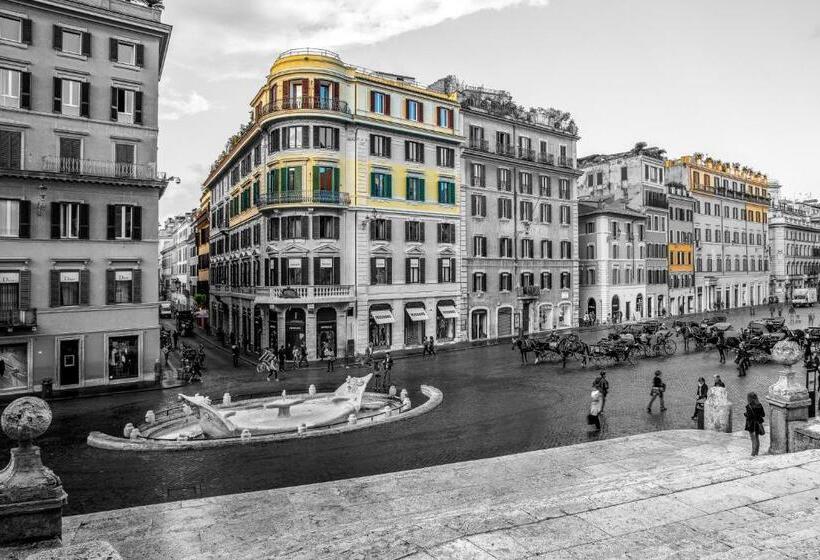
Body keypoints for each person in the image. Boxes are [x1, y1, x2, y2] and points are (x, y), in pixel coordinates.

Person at [744, 392, 765, 456]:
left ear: (749, 398)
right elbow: (763, 415)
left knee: (753, 439)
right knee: (757, 438)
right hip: (758, 424)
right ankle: (756, 452)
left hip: (751, 425)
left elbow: (750, 417)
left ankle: (753, 453)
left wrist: (745, 414)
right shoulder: (760, 405)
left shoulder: (749, 406)